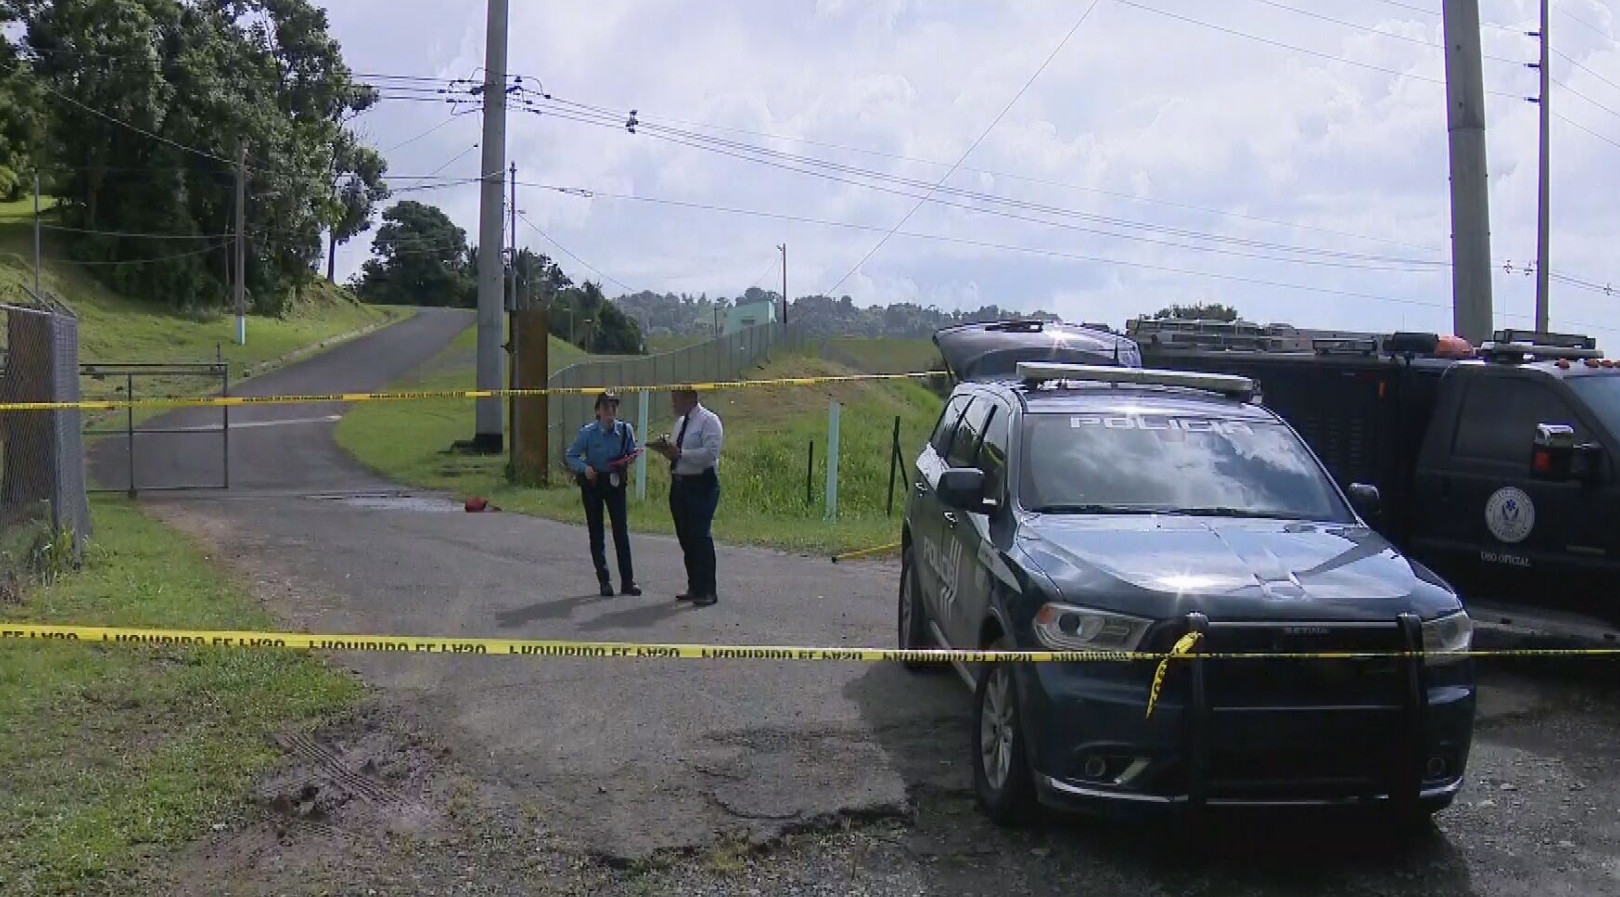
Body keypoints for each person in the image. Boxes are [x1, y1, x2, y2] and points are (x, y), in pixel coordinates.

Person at [649, 388, 724, 607]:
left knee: (700, 535)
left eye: (676, 398)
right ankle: (694, 585)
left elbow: (710, 454)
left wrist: (680, 453)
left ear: (690, 397)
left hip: (701, 484)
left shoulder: (709, 421)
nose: (673, 403)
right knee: (686, 537)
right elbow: (677, 453)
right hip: (680, 484)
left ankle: (708, 590)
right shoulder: (681, 423)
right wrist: (667, 450)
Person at [565, 390, 642, 597]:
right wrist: (585, 469)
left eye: (614, 406)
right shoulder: (587, 433)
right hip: (594, 482)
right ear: (598, 411)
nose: (610, 411)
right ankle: (604, 581)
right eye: (606, 406)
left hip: (615, 482)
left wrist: (630, 459)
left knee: (621, 531)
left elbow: (631, 450)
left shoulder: (625, 430)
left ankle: (628, 581)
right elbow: (571, 456)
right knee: (596, 532)